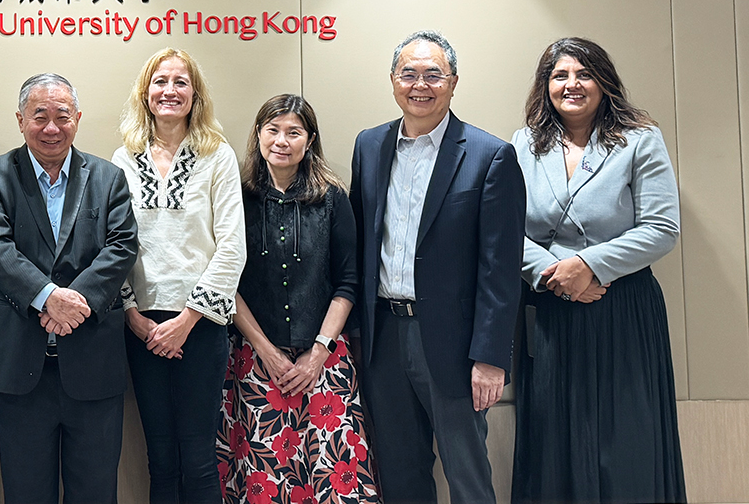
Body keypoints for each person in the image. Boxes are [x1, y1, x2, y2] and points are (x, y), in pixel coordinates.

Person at [348, 30, 525, 504]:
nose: (419, 84)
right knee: (400, 474)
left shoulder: (490, 156)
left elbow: (501, 270)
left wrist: (490, 357)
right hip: (383, 337)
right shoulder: (369, 146)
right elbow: (362, 243)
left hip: (454, 345)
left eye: (433, 74)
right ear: (392, 81)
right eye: (408, 73)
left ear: (453, 82)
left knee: (466, 476)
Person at [510, 37, 685, 504]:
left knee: (625, 443)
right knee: (552, 440)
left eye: (583, 73)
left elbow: (662, 227)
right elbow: (502, 230)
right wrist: (556, 274)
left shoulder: (640, 139)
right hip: (549, 309)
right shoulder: (524, 144)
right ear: (545, 85)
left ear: (603, 81)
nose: (572, 84)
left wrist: (588, 265)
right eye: (559, 75)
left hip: (622, 308)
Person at [0, 72, 139, 504]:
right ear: (20, 119)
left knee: (96, 491)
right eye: (38, 115)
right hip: (20, 367)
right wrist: (49, 298)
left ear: (77, 119)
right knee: (25, 493)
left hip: (93, 365)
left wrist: (72, 305)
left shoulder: (108, 177)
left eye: (61, 116)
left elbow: (122, 247)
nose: (51, 127)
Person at [221, 94, 379, 504]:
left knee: (336, 479)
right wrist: (267, 352)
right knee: (266, 478)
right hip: (257, 363)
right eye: (273, 130)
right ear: (258, 135)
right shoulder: (236, 199)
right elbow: (226, 282)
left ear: (309, 141)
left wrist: (318, 354)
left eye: (294, 132)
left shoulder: (332, 198)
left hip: (324, 362)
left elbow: (348, 282)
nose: (282, 140)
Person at [110, 49, 244, 504]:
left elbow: (232, 247)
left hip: (201, 326)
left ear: (195, 94)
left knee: (199, 456)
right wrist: (132, 314)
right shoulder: (123, 158)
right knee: (160, 457)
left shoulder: (217, 156)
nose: (170, 91)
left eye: (180, 82)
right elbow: (115, 247)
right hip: (143, 327)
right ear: (145, 94)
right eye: (160, 82)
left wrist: (187, 320)